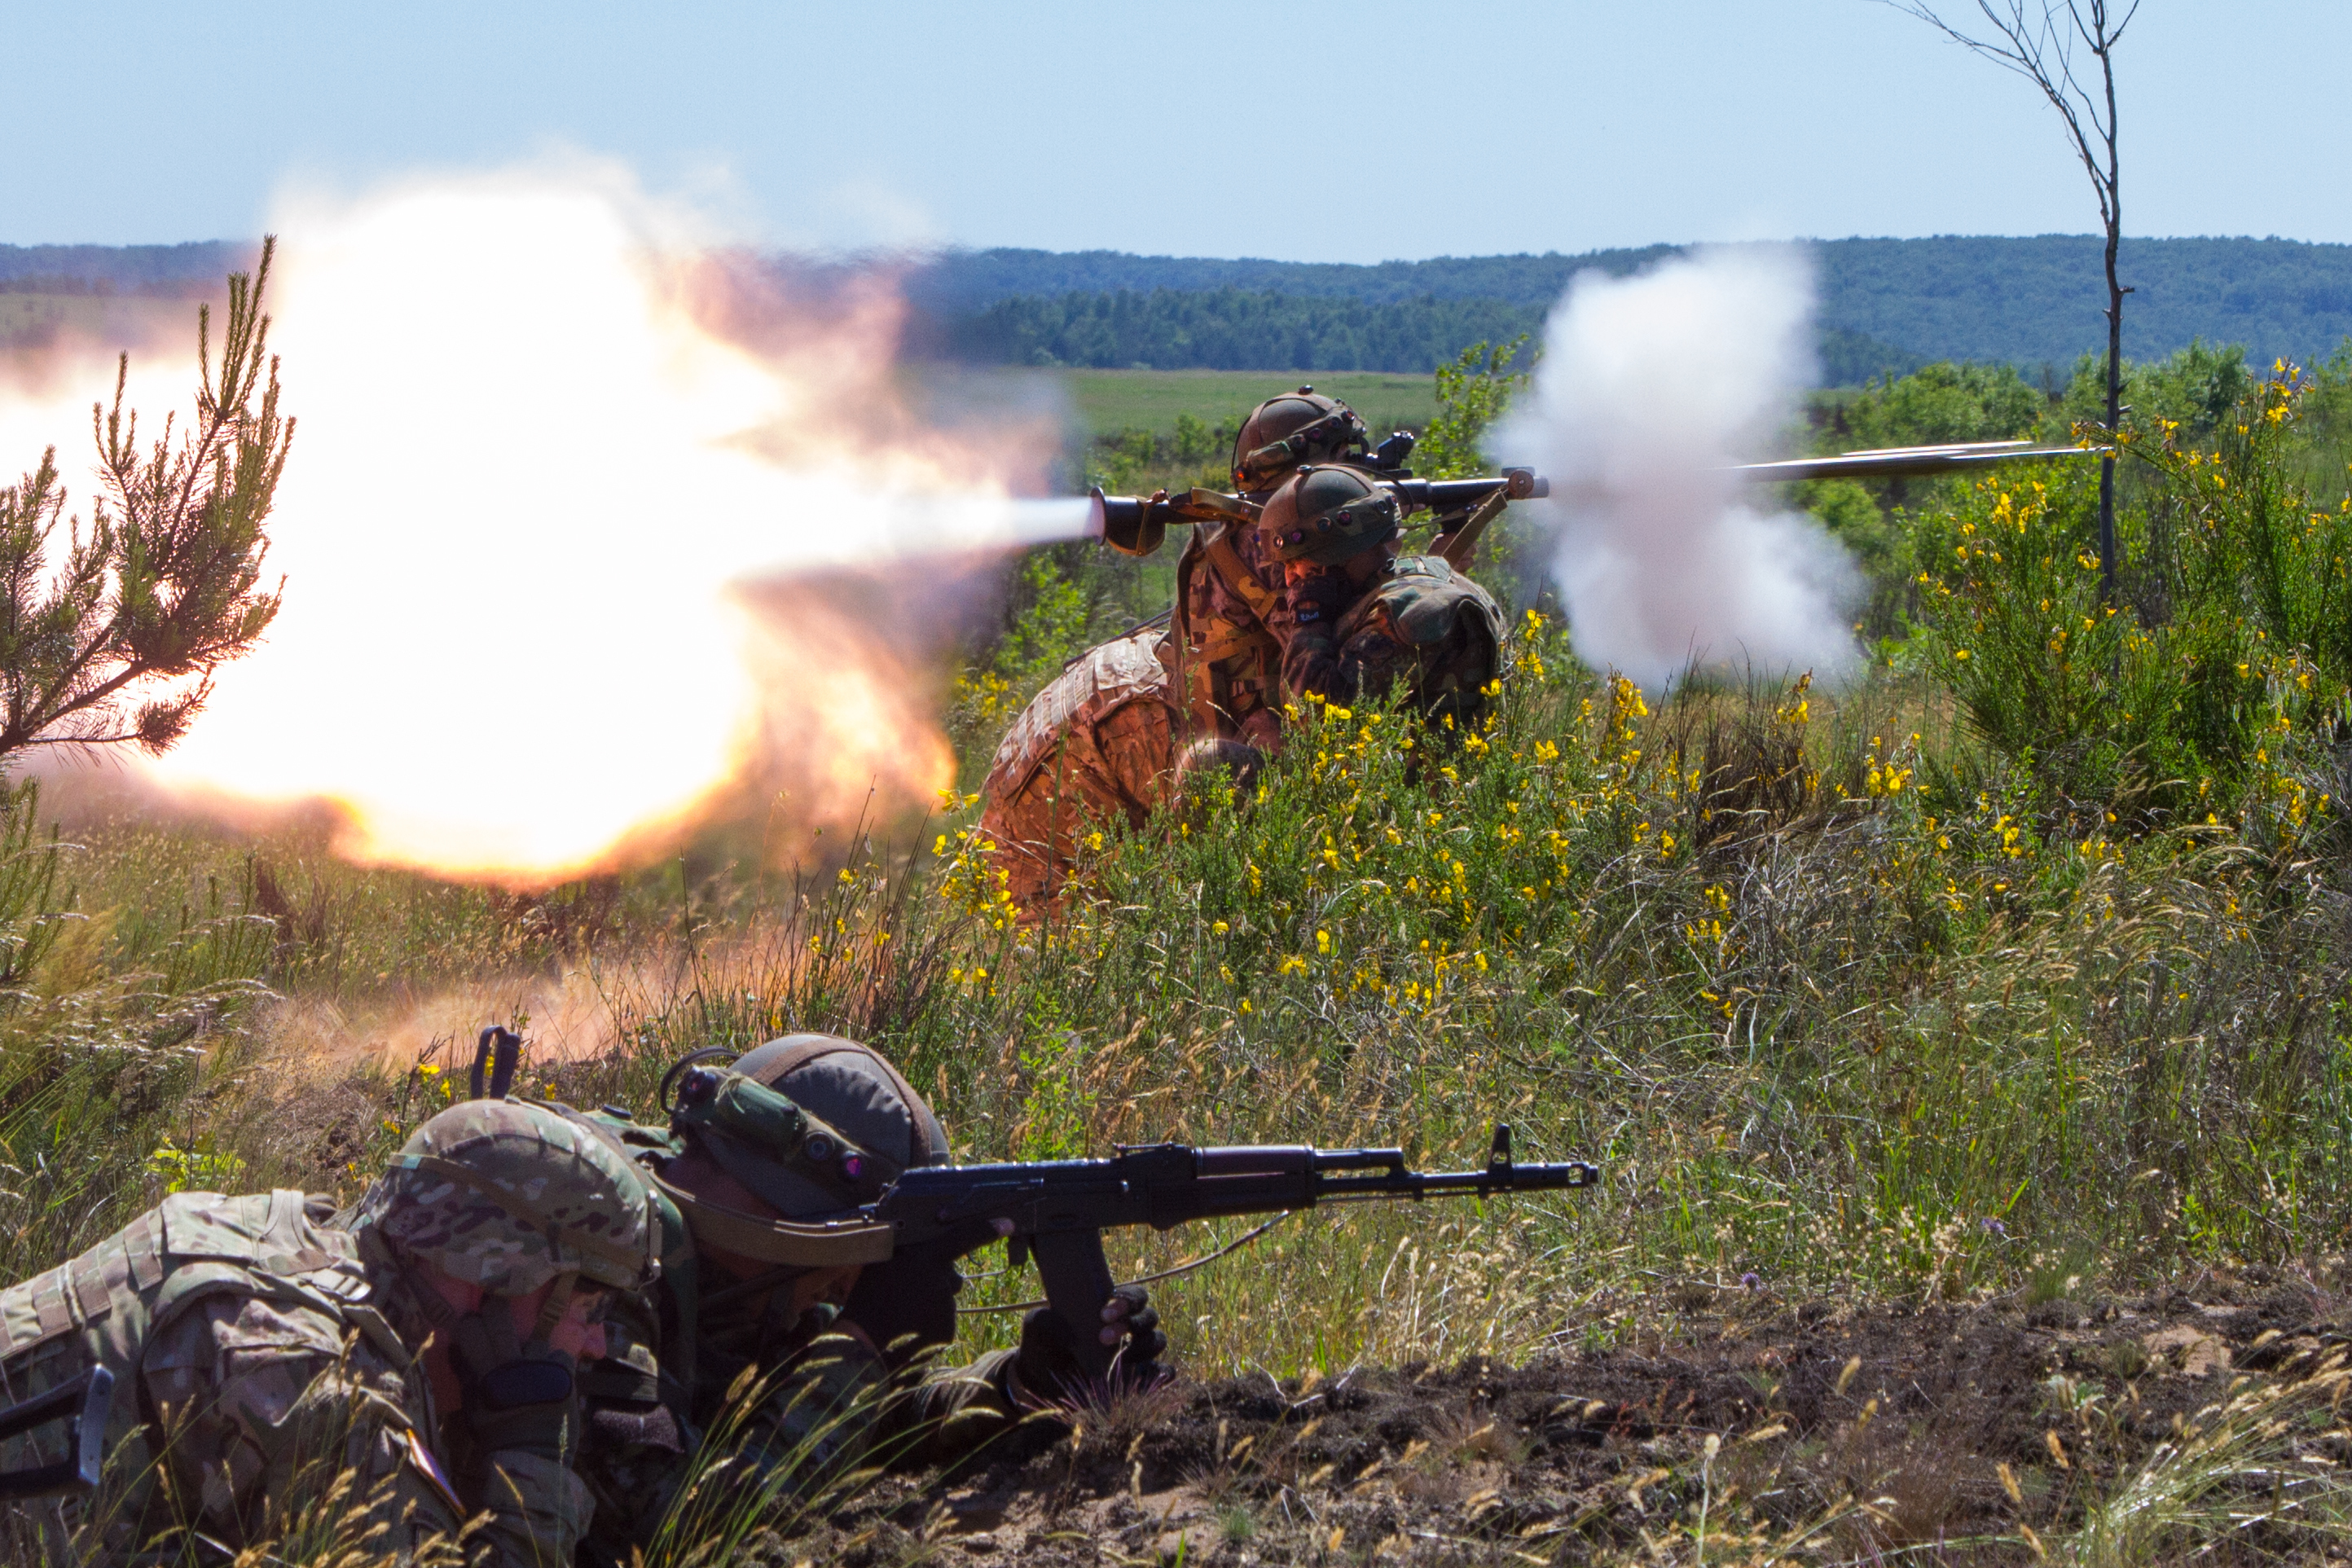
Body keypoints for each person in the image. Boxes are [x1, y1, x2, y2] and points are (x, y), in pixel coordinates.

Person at [571, 1034, 1166, 1567]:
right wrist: (860, 1349)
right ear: (774, 1207)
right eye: (845, 1251)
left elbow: (865, 1424)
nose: (841, 1286)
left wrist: (1015, 1386)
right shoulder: (592, 1257)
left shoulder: (745, 1271)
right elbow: (684, 1533)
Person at [0, 1098, 659, 1566]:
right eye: (589, 1307)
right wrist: (530, 1476)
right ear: (491, 1283)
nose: (597, 1345)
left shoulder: (296, 1243)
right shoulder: (331, 1394)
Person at [977, 389, 1377, 908]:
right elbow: (1331, 685)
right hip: (1068, 777)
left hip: (1121, 732)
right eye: (1344, 470)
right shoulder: (1271, 543)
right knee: (1081, 965)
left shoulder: (1267, 529)